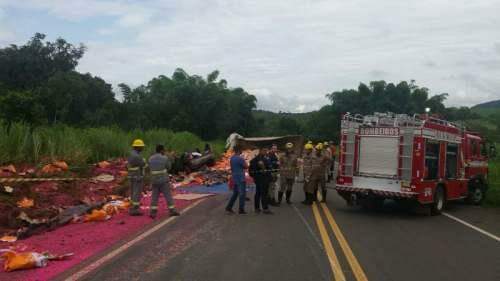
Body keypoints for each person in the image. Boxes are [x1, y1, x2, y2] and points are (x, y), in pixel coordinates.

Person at [148, 145, 180, 218]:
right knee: (168, 195)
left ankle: (153, 212)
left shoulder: (150, 158)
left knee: (154, 196)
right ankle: (172, 210)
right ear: (161, 150)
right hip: (163, 180)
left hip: (154, 180)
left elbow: (150, 168)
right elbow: (169, 167)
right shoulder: (164, 158)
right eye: (164, 150)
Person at [249, 147, 273, 214]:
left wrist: (255, 177)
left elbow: (251, 172)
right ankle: (265, 209)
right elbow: (252, 171)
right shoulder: (260, 160)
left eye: (266, 151)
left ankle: (257, 208)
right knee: (264, 194)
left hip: (259, 179)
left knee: (258, 193)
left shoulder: (256, 160)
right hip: (263, 179)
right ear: (260, 151)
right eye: (264, 150)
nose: (266, 152)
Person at [225, 146, 249, 214]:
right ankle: (241, 209)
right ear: (239, 151)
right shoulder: (240, 158)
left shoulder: (232, 158)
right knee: (242, 194)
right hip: (241, 178)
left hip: (234, 178)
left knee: (235, 193)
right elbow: (246, 166)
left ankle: (229, 207)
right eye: (241, 150)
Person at [127, 139, 147, 216]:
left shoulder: (131, 154)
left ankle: (132, 207)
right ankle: (134, 209)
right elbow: (142, 164)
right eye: (141, 147)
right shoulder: (136, 156)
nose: (142, 148)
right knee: (136, 193)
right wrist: (144, 161)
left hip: (132, 175)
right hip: (137, 176)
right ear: (137, 147)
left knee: (133, 192)